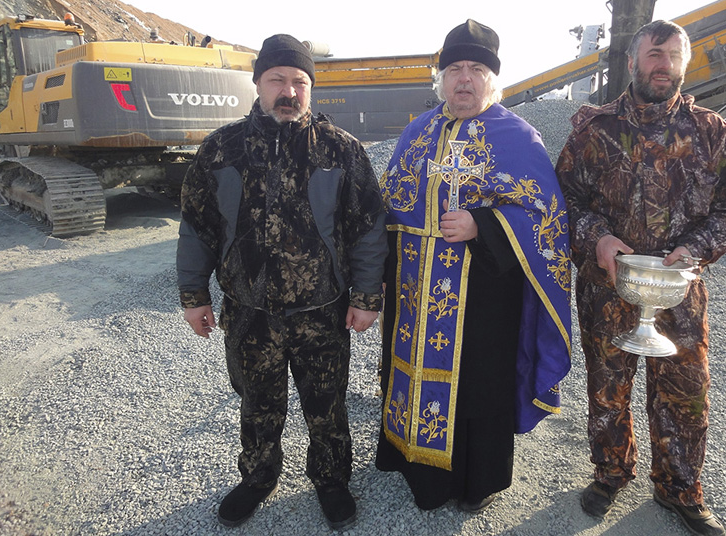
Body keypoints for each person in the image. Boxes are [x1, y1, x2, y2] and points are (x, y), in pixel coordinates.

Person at [176, 33, 387, 530]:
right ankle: (258, 477)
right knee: (257, 402)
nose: (289, 91)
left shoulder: (341, 150)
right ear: (258, 83)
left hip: (322, 311)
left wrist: (366, 297)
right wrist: (193, 295)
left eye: (299, 82)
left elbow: (368, 229)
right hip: (249, 313)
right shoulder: (221, 149)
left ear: (311, 88)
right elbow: (198, 226)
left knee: (327, 403)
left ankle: (331, 479)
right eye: (277, 80)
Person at [555, 20, 726, 536]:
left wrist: (696, 248)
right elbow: (562, 200)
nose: (663, 65)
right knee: (607, 388)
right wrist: (598, 238)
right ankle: (611, 473)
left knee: (685, 392)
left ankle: (679, 488)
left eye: (672, 57)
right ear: (633, 62)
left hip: (678, 290)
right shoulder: (594, 130)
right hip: (608, 287)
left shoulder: (712, 132)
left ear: (684, 65)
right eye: (653, 55)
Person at [376, 19, 572, 513]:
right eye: (455, 69)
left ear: (492, 79)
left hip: (484, 295)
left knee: (478, 385)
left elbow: (546, 217)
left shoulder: (518, 136)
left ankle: (476, 481)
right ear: (441, 78)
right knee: (411, 373)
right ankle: (417, 469)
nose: (465, 78)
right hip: (416, 292)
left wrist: (482, 224)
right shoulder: (417, 133)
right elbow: (388, 207)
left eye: (477, 69)